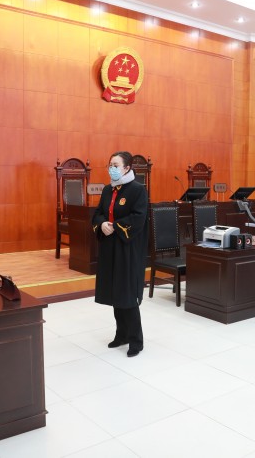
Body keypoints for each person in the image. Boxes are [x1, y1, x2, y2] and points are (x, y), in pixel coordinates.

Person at [92, 151, 149, 357]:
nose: (111, 168)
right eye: (110, 165)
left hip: (127, 248)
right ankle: (121, 334)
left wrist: (115, 226)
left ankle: (136, 340)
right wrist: (102, 224)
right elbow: (98, 213)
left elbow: (138, 217)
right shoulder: (108, 189)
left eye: (115, 165)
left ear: (127, 168)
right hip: (109, 246)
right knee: (115, 292)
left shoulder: (137, 190)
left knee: (127, 294)